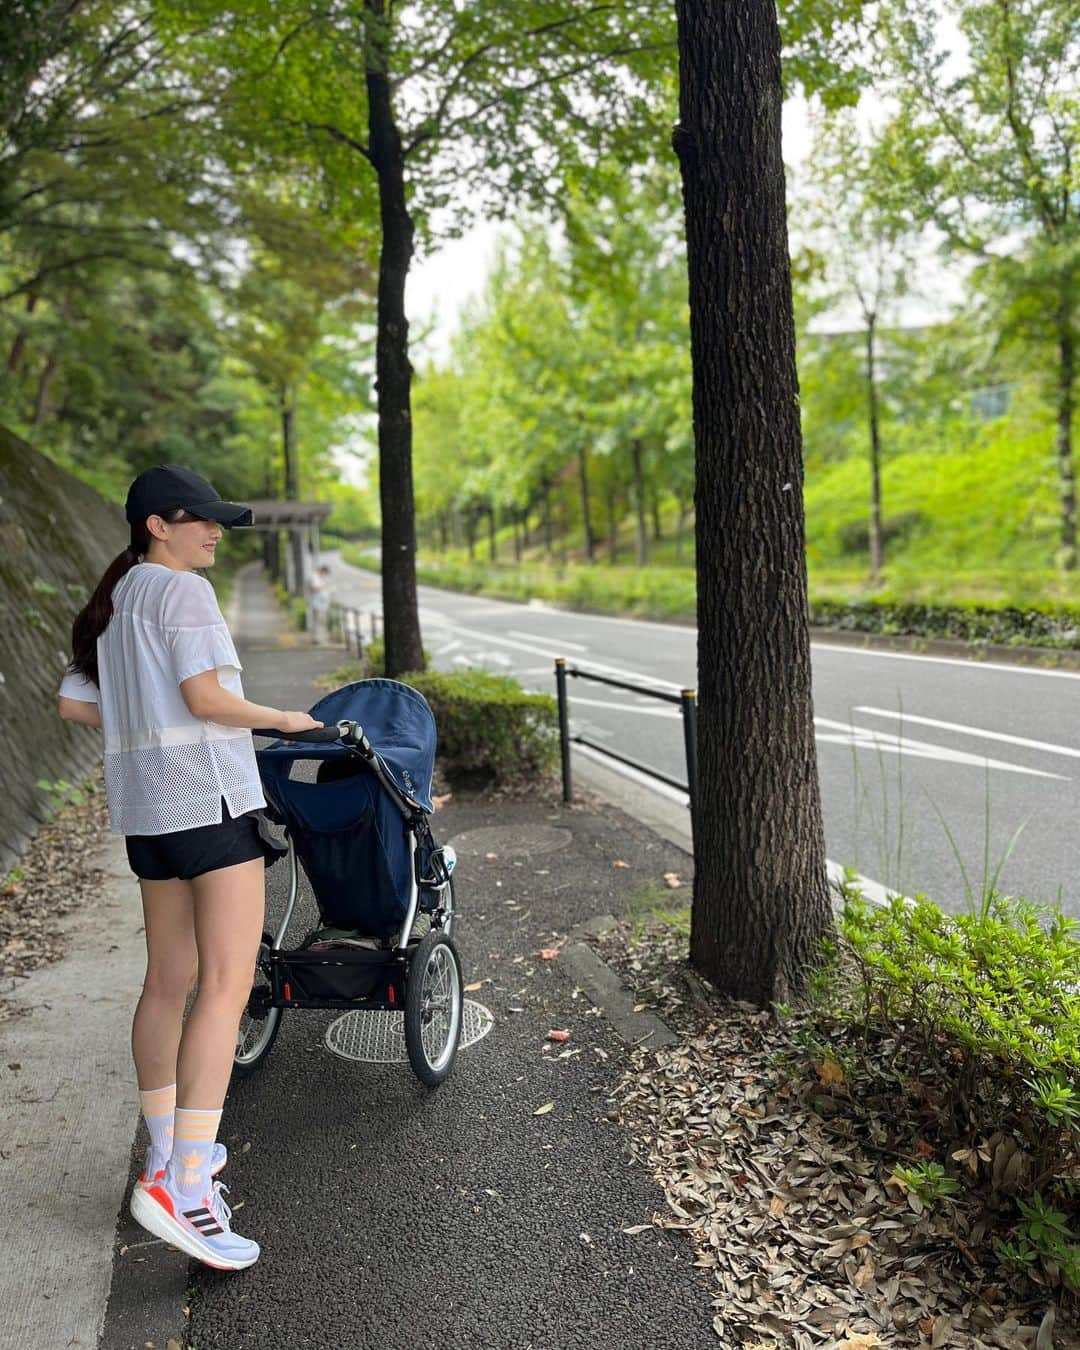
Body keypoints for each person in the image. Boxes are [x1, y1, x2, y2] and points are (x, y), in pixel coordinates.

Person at [56, 464, 321, 1272]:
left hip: (146, 815)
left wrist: (144, 710)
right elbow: (207, 700)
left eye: (215, 521)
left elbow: (74, 705)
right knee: (226, 986)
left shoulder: (118, 598)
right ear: (155, 525)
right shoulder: (181, 594)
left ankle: (167, 1153)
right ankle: (187, 1186)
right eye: (196, 519)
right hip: (207, 804)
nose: (213, 531)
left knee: (168, 981)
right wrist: (283, 718)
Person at [307, 563, 332, 644]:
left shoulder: (319, 578)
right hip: (317, 604)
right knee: (319, 622)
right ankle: (318, 639)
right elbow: (315, 588)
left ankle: (319, 639)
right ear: (322, 571)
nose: (325, 575)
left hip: (322, 605)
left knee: (321, 622)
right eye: (325, 573)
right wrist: (325, 587)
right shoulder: (314, 577)